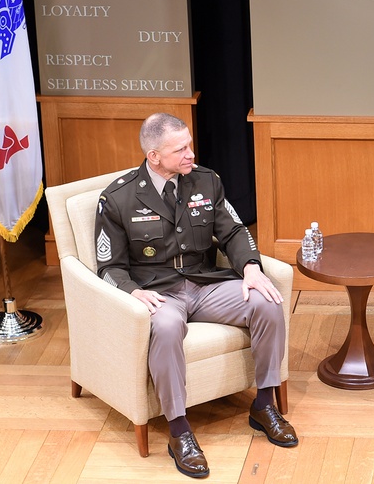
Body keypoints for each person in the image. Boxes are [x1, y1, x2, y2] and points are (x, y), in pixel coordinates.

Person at [94, 113, 297, 478]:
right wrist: (132, 292)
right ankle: (179, 431)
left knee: (267, 301)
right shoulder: (118, 198)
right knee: (168, 329)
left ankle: (264, 404)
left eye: (189, 144)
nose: (191, 154)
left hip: (205, 284)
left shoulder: (205, 180)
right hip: (158, 294)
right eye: (181, 149)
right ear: (154, 156)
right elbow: (108, 267)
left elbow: (233, 231)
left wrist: (250, 266)